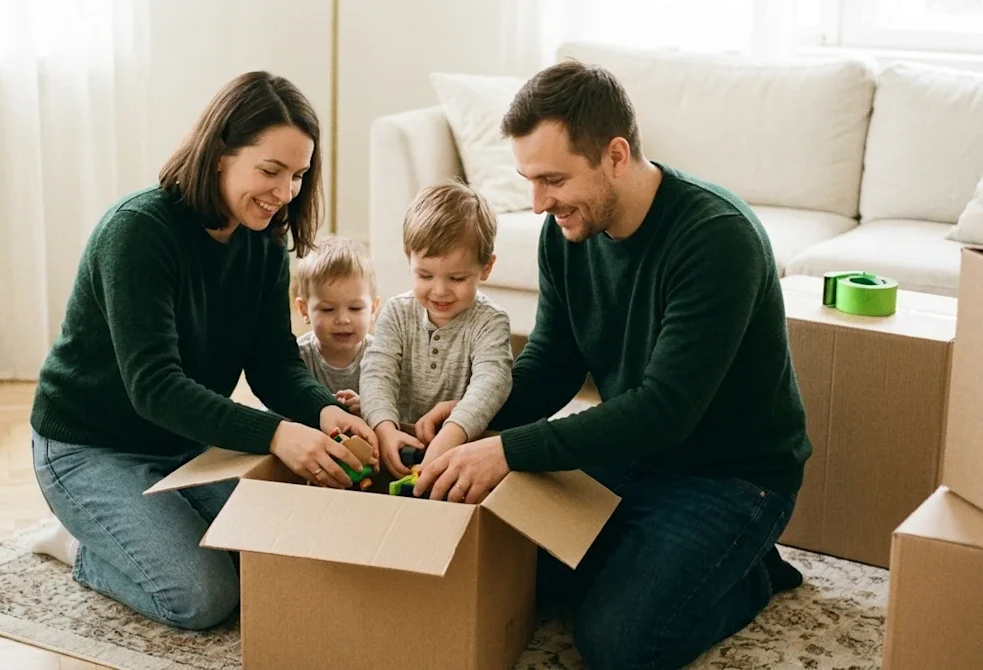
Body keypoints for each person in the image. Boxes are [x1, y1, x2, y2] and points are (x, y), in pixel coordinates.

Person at [413, 60, 812, 669]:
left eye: (553, 179)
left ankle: (752, 573)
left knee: (619, 643)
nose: (538, 202)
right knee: (509, 566)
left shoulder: (716, 238)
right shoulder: (567, 232)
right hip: (629, 452)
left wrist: (506, 450)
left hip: (731, 477)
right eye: (529, 179)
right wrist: (472, 416)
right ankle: (655, 555)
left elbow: (664, 410)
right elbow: (552, 363)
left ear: (616, 156)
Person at [26, 71, 378, 631]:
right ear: (219, 154)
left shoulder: (265, 240)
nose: (286, 192)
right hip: (88, 447)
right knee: (202, 597)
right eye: (270, 171)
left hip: (185, 443)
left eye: (298, 175)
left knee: (279, 555)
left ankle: (134, 532)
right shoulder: (138, 232)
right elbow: (155, 387)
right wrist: (276, 434)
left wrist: (322, 410)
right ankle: (83, 546)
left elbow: (274, 362)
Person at [360, 180, 514, 478]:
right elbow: (377, 373)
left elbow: (492, 382)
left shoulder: (491, 322)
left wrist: (451, 435)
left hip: (459, 449)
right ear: (409, 260)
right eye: (425, 275)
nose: (440, 291)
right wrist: (383, 427)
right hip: (396, 441)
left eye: (457, 278)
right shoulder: (395, 313)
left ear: (486, 268)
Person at [292, 236, 380, 416]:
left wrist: (371, 408)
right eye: (327, 309)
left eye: (355, 308)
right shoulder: (296, 358)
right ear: (304, 310)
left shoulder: (381, 356)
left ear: (373, 309)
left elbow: (401, 411)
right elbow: (277, 410)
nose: (343, 319)